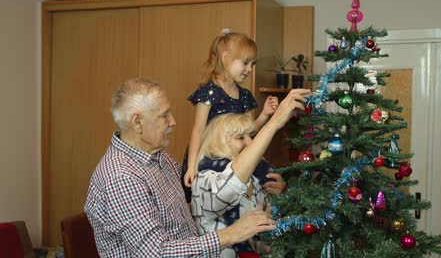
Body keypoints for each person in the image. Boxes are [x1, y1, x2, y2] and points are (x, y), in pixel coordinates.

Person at [84, 78, 302, 257]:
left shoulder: (159, 158)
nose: (173, 121)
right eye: (164, 115)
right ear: (137, 122)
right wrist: (232, 234)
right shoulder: (121, 177)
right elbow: (156, 252)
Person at [182, 31, 280, 201]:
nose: (249, 70)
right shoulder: (209, 92)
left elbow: (249, 133)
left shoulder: (245, 95)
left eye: (252, 64)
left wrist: (264, 115)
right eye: (245, 63)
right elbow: (198, 131)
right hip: (213, 158)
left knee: (269, 177)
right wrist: (192, 167)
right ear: (226, 57)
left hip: (238, 156)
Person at [191, 113, 287, 258]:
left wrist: (280, 197)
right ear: (219, 142)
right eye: (240, 137)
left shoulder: (255, 178)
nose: (250, 143)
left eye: (251, 136)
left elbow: (264, 234)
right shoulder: (205, 178)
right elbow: (225, 193)